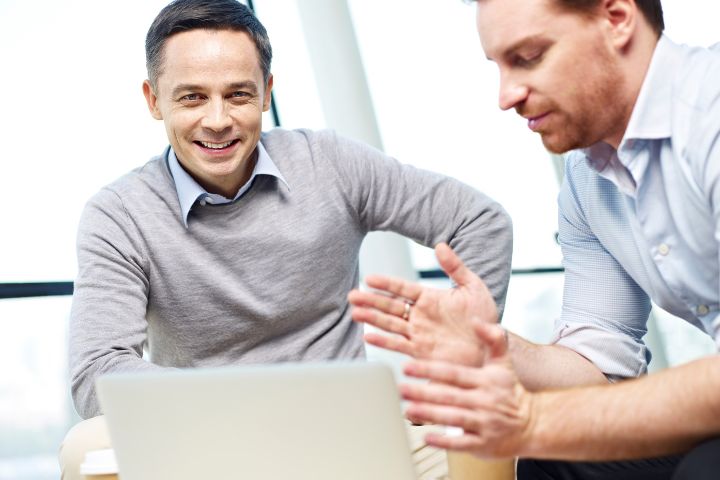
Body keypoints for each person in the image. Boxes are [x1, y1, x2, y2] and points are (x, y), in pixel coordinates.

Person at [57, 0, 513, 479]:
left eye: (237, 95)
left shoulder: (329, 163)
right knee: (82, 448)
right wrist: (250, 407)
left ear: (266, 93)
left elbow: (480, 221)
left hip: (347, 429)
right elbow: (97, 371)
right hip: (203, 438)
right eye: (192, 97)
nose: (217, 120)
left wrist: (458, 360)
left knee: (485, 434)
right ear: (154, 100)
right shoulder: (119, 213)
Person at [348, 0, 720, 478]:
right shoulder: (589, 179)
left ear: (616, 18)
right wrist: (494, 348)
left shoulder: (709, 110)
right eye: (498, 66)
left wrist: (534, 420)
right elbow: (600, 367)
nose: (506, 95)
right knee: (555, 464)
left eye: (528, 57)